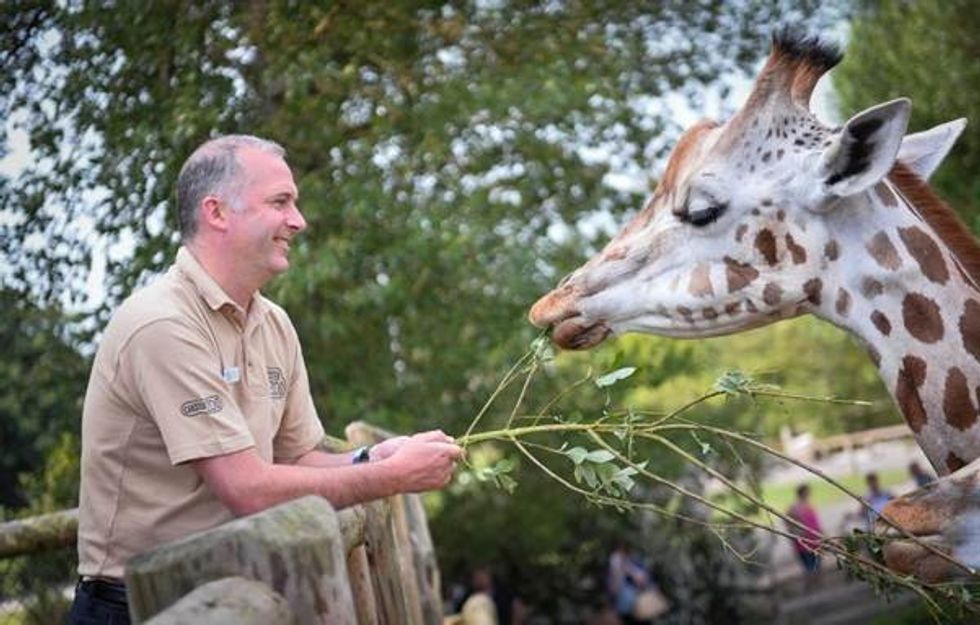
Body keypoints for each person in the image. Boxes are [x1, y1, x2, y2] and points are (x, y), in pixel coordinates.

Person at [69, 135, 463, 625]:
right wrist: (390, 478)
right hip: (142, 606)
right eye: (281, 202)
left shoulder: (273, 322)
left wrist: (371, 456)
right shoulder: (162, 325)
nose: (299, 221)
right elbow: (247, 489)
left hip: (243, 592)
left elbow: (297, 457)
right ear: (217, 212)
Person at [785, 484, 823, 580]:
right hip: (803, 541)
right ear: (802, 493)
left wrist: (822, 534)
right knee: (809, 565)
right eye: (807, 492)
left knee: (817, 563)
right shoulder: (794, 507)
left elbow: (816, 522)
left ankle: (817, 582)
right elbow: (787, 522)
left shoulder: (809, 505)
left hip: (815, 539)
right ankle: (812, 584)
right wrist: (795, 533)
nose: (809, 494)